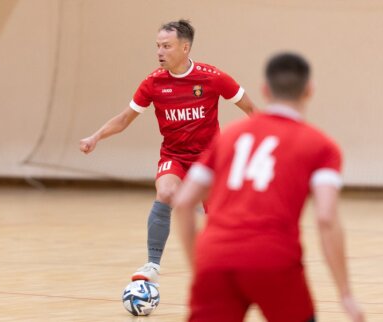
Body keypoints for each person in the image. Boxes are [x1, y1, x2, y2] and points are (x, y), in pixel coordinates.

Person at [173, 52, 364, 322]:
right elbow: (325, 218)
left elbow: (182, 203)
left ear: (265, 90)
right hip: (273, 259)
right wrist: (345, 293)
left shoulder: (228, 136)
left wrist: (201, 264)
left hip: (215, 256)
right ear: (309, 91)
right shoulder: (322, 146)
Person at [79, 19, 257, 284]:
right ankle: (152, 264)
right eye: (157, 46)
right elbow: (124, 119)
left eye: (166, 46)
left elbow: (251, 110)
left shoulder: (212, 77)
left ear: (185, 48)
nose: (159, 52)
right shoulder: (153, 83)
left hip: (209, 161)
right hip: (174, 157)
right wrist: (96, 137)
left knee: (218, 217)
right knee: (165, 192)